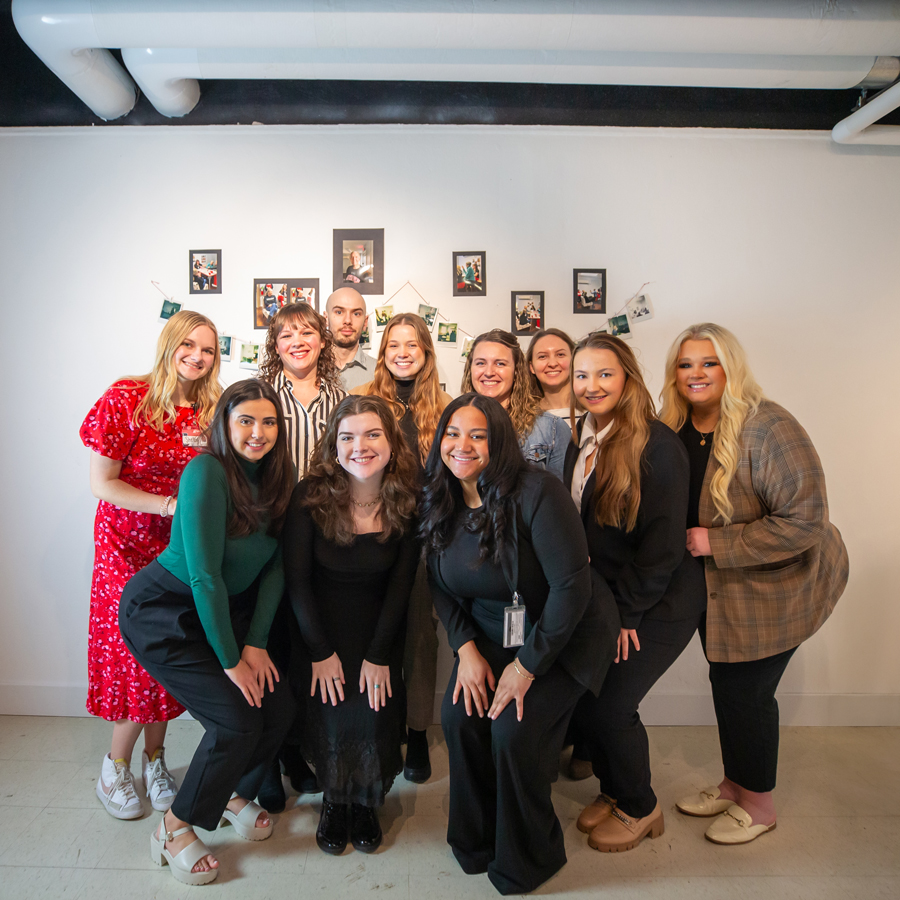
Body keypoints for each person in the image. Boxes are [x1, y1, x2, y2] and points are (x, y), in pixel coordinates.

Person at [659, 323, 849, 844]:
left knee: (747, 693)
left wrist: (717, 543)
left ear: (731, 368)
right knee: (729, 686)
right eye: (685, 364)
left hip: (780, 587)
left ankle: (759, 805)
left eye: (709, 363)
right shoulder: (674, 427)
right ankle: (733, 785)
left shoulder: (768, 428)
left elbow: (805, 520)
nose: (696, 374)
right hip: (719, 593)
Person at [421, 393, 617, 895]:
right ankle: (476, 840)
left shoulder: (537, 492)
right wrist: (465, 649)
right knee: (459, 718)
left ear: (500, 440)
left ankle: (531, 853)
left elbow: (573, 588)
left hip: (564, 633)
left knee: (513, 731)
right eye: (453, 433)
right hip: (491, 634)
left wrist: (527, 666)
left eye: (478, 435)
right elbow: (439, 585)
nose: (462, 446)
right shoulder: (439, 492)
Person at [118, 379, 297, 886]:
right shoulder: (206, 472)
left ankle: (230, 794)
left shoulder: (280, 478)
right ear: (224, 423)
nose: (258, 432)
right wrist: (231, 658)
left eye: (268, 422)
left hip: (221, 612)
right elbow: (204, 576)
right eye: (245, 420)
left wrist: (257, 642)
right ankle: (173, 828)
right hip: (164, 612)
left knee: (278, 708)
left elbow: (277, 567)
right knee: (236, 719)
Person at [563, 333, 706, 852]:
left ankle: (642, 808)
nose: (591, 385)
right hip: (613, 596)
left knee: (611, 705)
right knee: (591, 693)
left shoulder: (657, 446)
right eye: (582, 375)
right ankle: (615, 790)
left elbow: (663, 548)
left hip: (660, 599)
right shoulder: (584, 435)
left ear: (627, 378)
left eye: (604, 373)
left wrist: (626, 615)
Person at [80, 311, 221, 822]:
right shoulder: (126, 396)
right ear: (168, 343)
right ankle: (114, 766)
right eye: (188, 344)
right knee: (136, 658)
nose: (197, 356)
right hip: (124, 545)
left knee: (170, 651)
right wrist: (165, 506)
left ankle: (156, 760)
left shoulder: (210, 409)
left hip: (179, 548)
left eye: (207, 349)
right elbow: (103, 483)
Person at [283, 395, 420, 854]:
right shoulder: (310, 495)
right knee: (332, 713)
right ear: (333, 446)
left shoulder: (406, 499)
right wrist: (320, 653)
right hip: (317, 631)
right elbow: (297, 582)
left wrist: (380, 655)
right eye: (347, 437)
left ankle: (363, 803)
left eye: (372, 434)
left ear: (391, 442)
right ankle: (334, 802)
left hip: (379, 631)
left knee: (373, 712)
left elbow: (402, 586)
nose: (360, 446)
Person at [352, 313, 453, 783]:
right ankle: (379, 723)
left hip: (427, 539)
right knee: (372, 630)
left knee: (418, 636)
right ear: (383, 351)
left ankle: (415, 732)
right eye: (394, 344)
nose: (403, 352)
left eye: (413, 344)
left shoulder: (448, 407)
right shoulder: (367, 404)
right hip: (375, 534)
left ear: (427, 352)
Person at [257, 301, 346, 809]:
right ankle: (265, 761)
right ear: (275, 343)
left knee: (299, 648)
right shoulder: (262, 396)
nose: (298, 341)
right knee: (266, 645)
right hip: (267, 535)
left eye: (308, 332)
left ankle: (293, 751)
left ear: (321, 341)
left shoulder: (340, 397)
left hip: (319, 535)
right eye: (287, 334)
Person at [461, 329, 570, 479]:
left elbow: (559, 498)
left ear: (516, 371)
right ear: (470, 370)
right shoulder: (453, 424)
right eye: (480, 363)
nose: (489, 372)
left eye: (500, 363)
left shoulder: (551, 429)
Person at [525, 327, 582, 421]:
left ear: (574, 359)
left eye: (560, 355)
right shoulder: (525, 417)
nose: (552, 364)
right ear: (531, 367)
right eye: (542, 356)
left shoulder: (592, 408)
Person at [325, 286, 376, 391]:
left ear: (365, 322)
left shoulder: (380, 371)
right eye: (339, 312)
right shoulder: (309, 369)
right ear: (326, 319)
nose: (348, 320)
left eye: (356, 314)